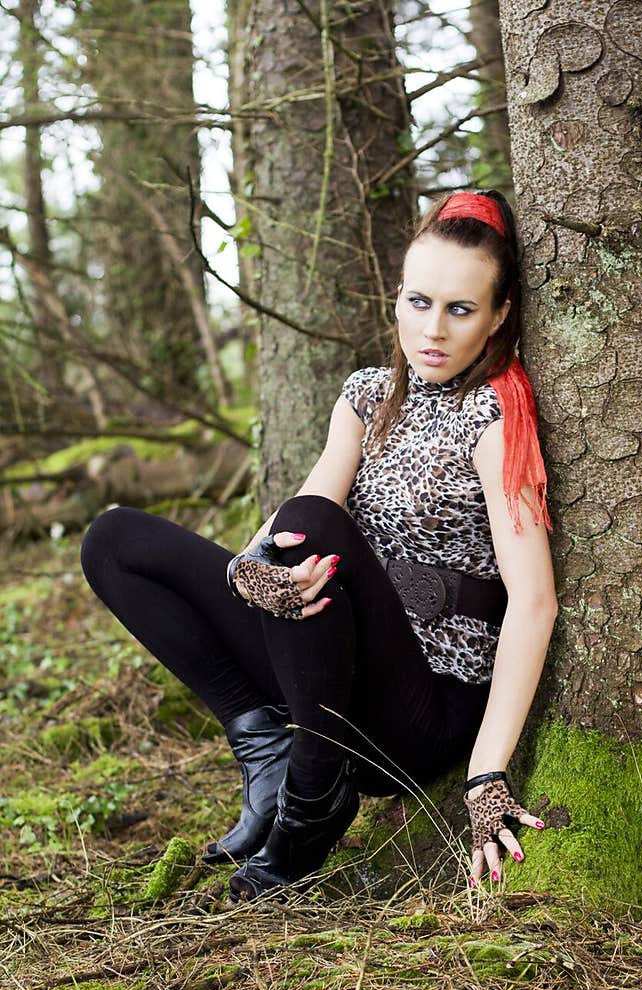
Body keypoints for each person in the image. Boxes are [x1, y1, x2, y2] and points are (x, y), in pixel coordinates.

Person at [80, 188, 559, 904]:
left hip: (424, 707)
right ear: (396, 299)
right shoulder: (367, 398)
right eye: (419, 302)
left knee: (309, 524)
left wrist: (486, 775)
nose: (433, 329)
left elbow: (535, 600)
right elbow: (284, 529)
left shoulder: (493, 413)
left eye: (461, 309)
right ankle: (266, 747)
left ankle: (312, 800)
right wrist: (253, 576)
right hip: (331, 679)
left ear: (497, 317)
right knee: (115, 540)